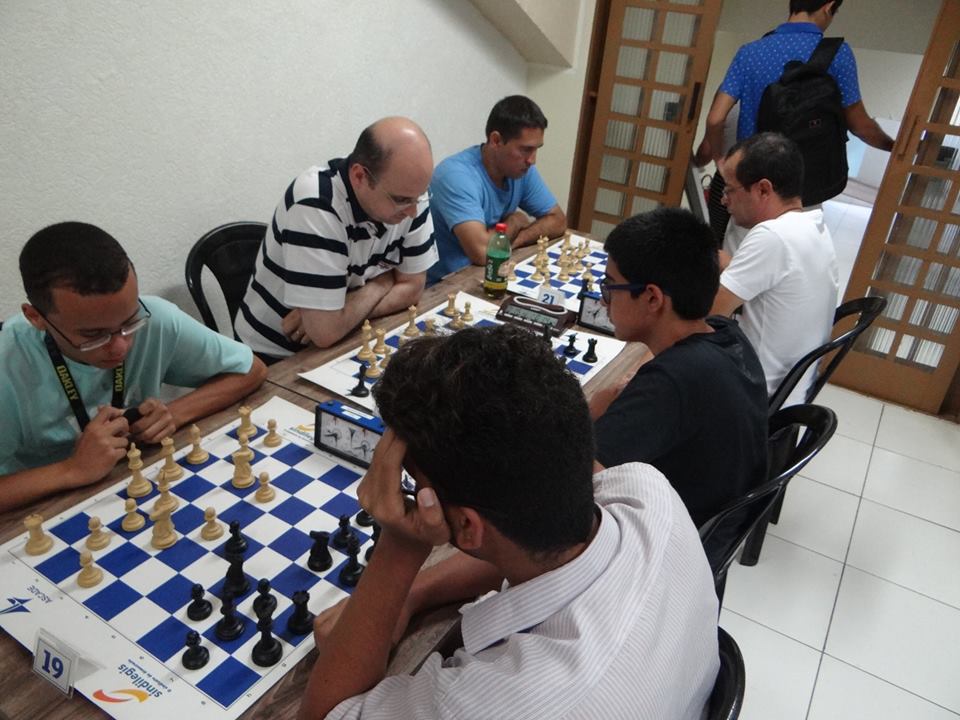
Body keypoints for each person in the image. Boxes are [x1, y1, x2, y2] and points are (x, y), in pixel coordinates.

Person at [298, 324, 720, 720]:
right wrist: (414, 595)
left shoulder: (495, 702)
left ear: (468, 528)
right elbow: (528, 540)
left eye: (413, 486)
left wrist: (401, 544)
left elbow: (327, 713)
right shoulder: (648, 493)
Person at [0, 222, 267, 512]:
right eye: (94, 335)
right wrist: (71, 469)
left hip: (138, 485)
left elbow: (251, 370)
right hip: (41, 510)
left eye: (130, 323)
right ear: (35, 317)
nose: (120, 346)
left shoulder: (155, 317)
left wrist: (175, 414)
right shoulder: (8, 365)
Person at [591, 208, 768, 529]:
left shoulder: (672, 382)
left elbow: (578, 480)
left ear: (652, 298)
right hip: (722, 517)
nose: (604, 301)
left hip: (685, 537)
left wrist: (591, 409)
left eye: (610, 287)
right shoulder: (726, 332)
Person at [235, 117, 438, 361]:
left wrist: (343, 310)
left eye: (419, 196)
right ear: (359, 176)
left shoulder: (411, 193)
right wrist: (382, 283)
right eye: (402, 200)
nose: (413, 211)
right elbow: (325, 333)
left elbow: (413, 288)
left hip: (349, 338)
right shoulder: (315, 203)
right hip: (274, 358)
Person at [712, 132, 840, 407]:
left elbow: (711, 313)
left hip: (755, 395)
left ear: (763, 189)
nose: (723, 200)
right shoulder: (812, 227)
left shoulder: (772, 236)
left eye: (730, 190)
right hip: (791, 392)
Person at [702, 0, 894, 166]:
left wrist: (720, 160)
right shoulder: (838, 54)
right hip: (803, 176)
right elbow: (861, 127)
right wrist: (894, 147)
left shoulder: (749, 52)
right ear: (828, 7)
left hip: (751, 170)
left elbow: (715, 119)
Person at [426, 95, 567, 283]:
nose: (532, 160)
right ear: (496, 140)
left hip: (490, 273)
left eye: (536, 149)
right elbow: (482, 253)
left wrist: (512, 241)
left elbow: (558, 220)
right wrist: (514, 221)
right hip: (443, 286)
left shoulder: (521, 169)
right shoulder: (454, 176)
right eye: (525, 149)